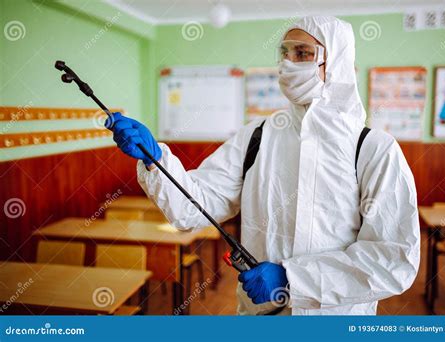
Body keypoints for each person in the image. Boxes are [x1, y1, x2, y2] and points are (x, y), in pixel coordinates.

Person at [106, 16, 420, 315]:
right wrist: (157, 161)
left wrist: (291, 279)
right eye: (284, 52)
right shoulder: (257, 136)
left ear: (334, 63)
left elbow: (393, 259)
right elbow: (194, 208)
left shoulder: (374, 150)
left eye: (302, 53)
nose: (287, 62)